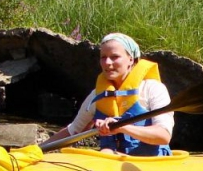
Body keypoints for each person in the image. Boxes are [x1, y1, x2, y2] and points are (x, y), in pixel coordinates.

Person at [43, 32, 173, 156]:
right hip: (111, 161)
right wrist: (35, 150)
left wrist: (123, 128)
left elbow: (163, 136)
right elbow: (72, 131)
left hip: (150, 163)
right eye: (103, 57)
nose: (107, 63)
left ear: (131, 59)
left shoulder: (153, 89)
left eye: (114, 57)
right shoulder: (97, 95)